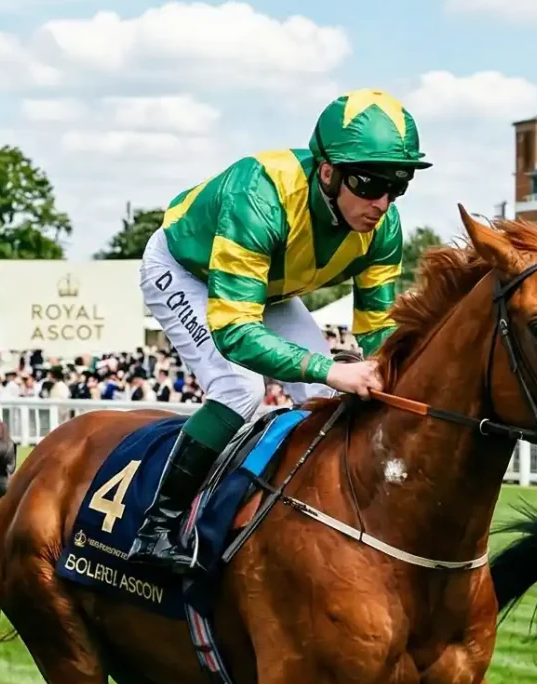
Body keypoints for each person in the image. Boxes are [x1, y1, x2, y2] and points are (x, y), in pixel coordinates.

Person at [128, 90, 426, 571]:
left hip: (269, 289)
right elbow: (235, 331)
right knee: (238, 389)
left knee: (316, 395)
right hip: (187, 269)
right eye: (370, 184)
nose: (383, 203)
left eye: (399, 185)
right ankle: (156, 528)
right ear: (328, 171)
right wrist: (333, 369)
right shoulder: (261, 195)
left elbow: (379, 335)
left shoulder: (383, 227)